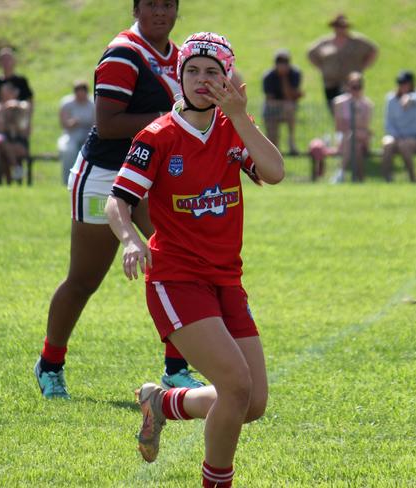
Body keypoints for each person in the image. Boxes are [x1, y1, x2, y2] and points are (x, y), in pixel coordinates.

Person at [105, 32, 284, 488]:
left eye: (212, 71)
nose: (201, 80)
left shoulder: (231, 128)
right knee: (236, 387)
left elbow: (274, 172)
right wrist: (129, 239)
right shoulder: (158, 135)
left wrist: (241, 118)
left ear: (227, 77)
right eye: (192, 71)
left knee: (253, 402)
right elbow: (117, 202)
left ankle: (161, 403)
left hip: (226, 280)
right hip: (176, 279)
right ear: (179, 76)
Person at [33, 0, 202, 400]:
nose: (161, 12)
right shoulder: (123, 53)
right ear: (137, 8)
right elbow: (107, 125)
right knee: (84, 279)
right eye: (152, 5)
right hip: (105, 176)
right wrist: (171, 116)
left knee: (180, 263)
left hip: (151, 175)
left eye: (168, 5)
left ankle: (176, 369)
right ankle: (50, 363)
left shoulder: (179, 55)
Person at [307, 13, 378, 114]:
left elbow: (373, 50)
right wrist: (322, 68)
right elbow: (310, 53)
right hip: (330, 82)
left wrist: (363, 66)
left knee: (351, 111)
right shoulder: (326, 42)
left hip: (350, 83)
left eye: (343, 26)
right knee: (334, 110)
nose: (340, 29)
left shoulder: (356, 41)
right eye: (337, 26)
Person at [382, 70, 416, 183]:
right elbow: (389, 123)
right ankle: (387, 180)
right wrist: (396, 136)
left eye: (405, 83)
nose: (402, 86)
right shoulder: (391, 99)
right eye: (400, 83)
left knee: (404, 146)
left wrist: (409, 98)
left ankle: (413, 178)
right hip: (396, 136)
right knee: (387, 144)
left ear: (412, 83)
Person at [332, 72, 373, 182]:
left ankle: (341, 171)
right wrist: (356, 121)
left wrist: (353, 121)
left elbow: (365, 126)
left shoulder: (367, 104)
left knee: (352, 137)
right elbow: (338, 126)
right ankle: (360, 180)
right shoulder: (339, 102)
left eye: (358, 87)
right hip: (346, 138)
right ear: (347, 86)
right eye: (352, 86)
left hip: (360, 137)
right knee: (356, 147)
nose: (355, 90)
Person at [262, 49, 303, 155]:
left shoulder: (295, 74)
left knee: (289, 107)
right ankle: (275, 151)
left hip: (287, 109)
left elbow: (290, 96)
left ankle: (291, 143)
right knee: (272, 139)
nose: (282, 65)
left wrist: (284, 78)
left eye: (285, 62)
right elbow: (270, 100)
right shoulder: (268, 76)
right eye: (280, 62)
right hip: (271, 111)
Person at [58, 80, 95, 184]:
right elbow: (63, 124)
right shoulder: (66, 103)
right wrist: (72, 123)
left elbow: (96, 123)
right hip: (71, 134)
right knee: (68, 150)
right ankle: (67, 180)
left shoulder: (93, 104)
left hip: (89, 134)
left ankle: (88, 180)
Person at [0, 82, 31, 184]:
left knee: (6, 148)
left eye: (7, 92)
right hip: (6, 143)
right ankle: (16, 170)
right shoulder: (0, 109)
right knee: (3, 148)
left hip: (20, 143)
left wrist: (10, 106)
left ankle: (13, 175)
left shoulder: (22, 106)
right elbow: (0, 129)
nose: (5, 95)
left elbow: (25, 108)